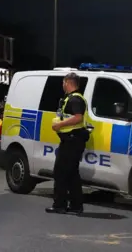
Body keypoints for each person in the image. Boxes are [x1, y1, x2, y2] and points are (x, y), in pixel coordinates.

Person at [46, 72, 89, 215]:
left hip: (72, 140)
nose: (62, 85)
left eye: (63, 83)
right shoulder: (73, 98)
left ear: (68, 82)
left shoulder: (75, 100)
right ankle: (76, 205)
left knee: (60, 172)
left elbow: (78, 117)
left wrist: (60, 125)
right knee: (72, 174)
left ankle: (60, 205)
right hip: (72, 140)